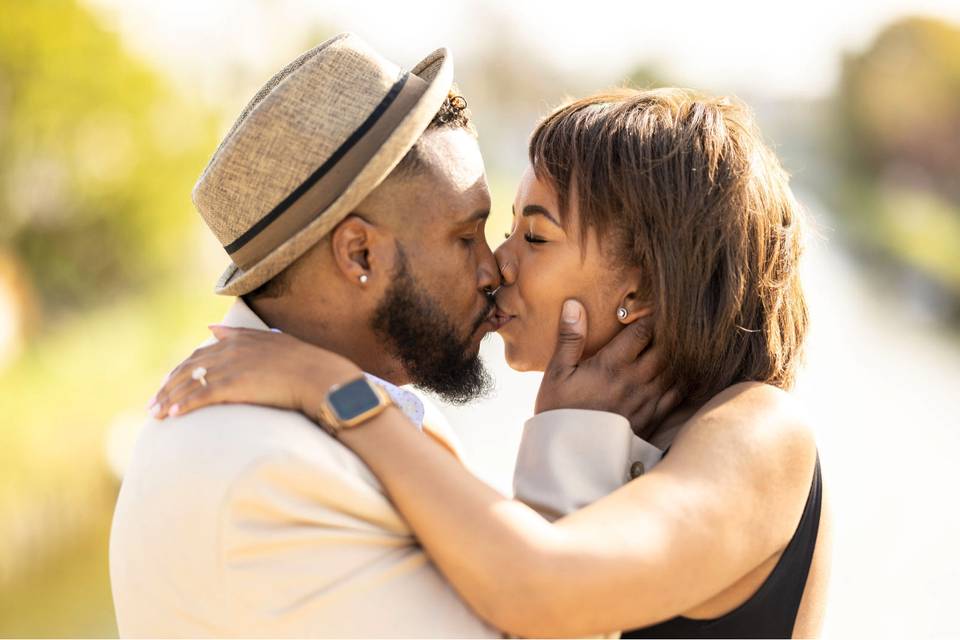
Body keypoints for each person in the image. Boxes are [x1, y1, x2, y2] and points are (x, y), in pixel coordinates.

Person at [152, 88, 833, 638]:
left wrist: (331, 387)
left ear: (644, 285)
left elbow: (540, 588)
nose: (498, 264)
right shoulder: (631, 431)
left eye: (533, 235)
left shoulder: (760, 433)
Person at [110, 33, 675, 638]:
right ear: (360, 253)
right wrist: (573, 451)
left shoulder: (351, 404)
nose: (494, 270)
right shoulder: (271, 475)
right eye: (466, 237)